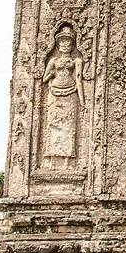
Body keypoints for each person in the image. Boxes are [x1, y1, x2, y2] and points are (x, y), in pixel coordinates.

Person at [42, 25, 84, 169]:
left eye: (68, 42)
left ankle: (68, 162)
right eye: (62, 42)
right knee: (53, 125)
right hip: (55, 93)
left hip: (71, 92)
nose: (65, 45)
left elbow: (78, 80)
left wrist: (83, 101)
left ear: (73, 45)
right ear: (58, 45)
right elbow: (44, 78)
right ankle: (52, 162)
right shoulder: (53, 60)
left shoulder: (76, 61)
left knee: (68, 127)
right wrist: (52, 74)